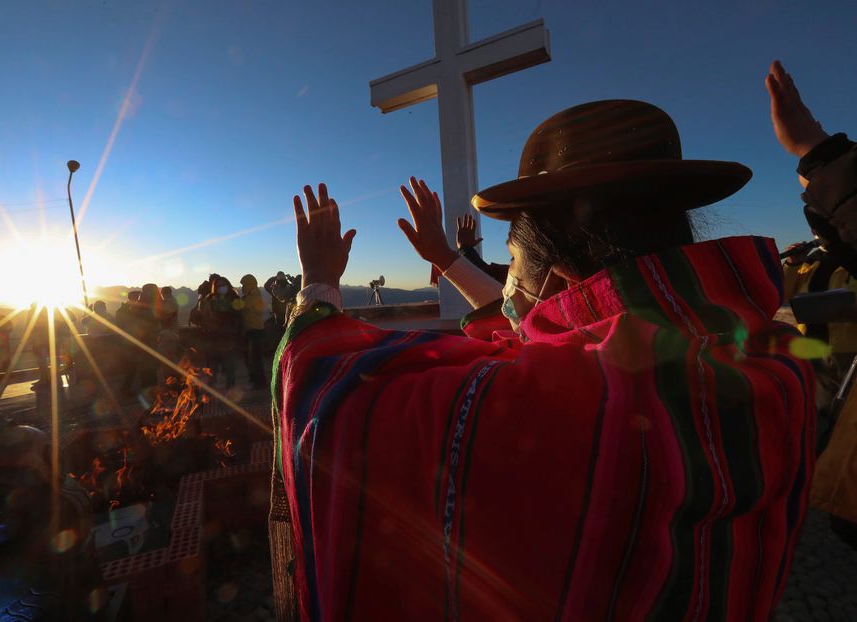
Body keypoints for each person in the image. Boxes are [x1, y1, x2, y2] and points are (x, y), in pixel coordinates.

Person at [275, 100, 814, 621]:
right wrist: (446, 258)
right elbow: (526, 337)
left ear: (558, 279)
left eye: (510, 262)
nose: (507, 285)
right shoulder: (776, 362)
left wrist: (319, 285)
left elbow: (332, 400)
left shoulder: (554, 404)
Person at [767, 59, 857, 545]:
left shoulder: (847, 258)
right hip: (811, 354)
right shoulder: (801, 260)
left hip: (846, 357)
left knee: (837, 432)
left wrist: (816, 152)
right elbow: (775, 294)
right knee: (805, 426)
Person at [197, 276, 242, 389]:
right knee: (212, 365)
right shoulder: (210, 299)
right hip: (213, 336)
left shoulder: (234, 298)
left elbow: (240, 315)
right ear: (215, 287)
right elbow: (205, 317)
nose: (222, 288)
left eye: (224, 285)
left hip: (228, 336)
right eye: (219, 286)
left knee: (229, 365)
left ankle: (230, 387)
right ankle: (212, 389)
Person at [235, 274, 266, 389]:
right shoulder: (250, 295)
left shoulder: (254, 295)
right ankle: (254, 380)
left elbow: (242, 305)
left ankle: (259, 383)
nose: (242, 287)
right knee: (251, 358)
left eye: (243, 285)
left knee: (255, 358)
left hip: (255, 330)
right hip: (250, 330)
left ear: (249, 285)